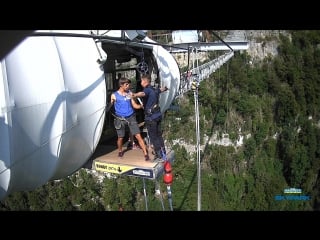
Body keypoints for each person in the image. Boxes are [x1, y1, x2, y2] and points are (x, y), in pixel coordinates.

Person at [107, 77, 150, 161]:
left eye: (128, 84)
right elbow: (110, 106)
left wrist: (141, 106)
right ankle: (120, 151)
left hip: (131, 117)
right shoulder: (114, 95)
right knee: (121, 137)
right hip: (120, 119)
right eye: (126, 84)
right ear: (121, 85)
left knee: (138, 135)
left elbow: (134, 105)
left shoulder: (129, 93)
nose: (128, 86)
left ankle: (145, 153)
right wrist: (108, 107)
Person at [131, 73, 168, 161]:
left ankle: (159, 155)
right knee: (159, 135)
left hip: (151, 118)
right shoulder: (154, 89)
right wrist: (165, 88)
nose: (140, 83)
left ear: (144, 81)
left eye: (141, 81)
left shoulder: (147, 90)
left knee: (153, 137)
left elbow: (142, 93)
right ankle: (163, 152)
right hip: (158, 115)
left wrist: (134, 95)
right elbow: (161, 90)